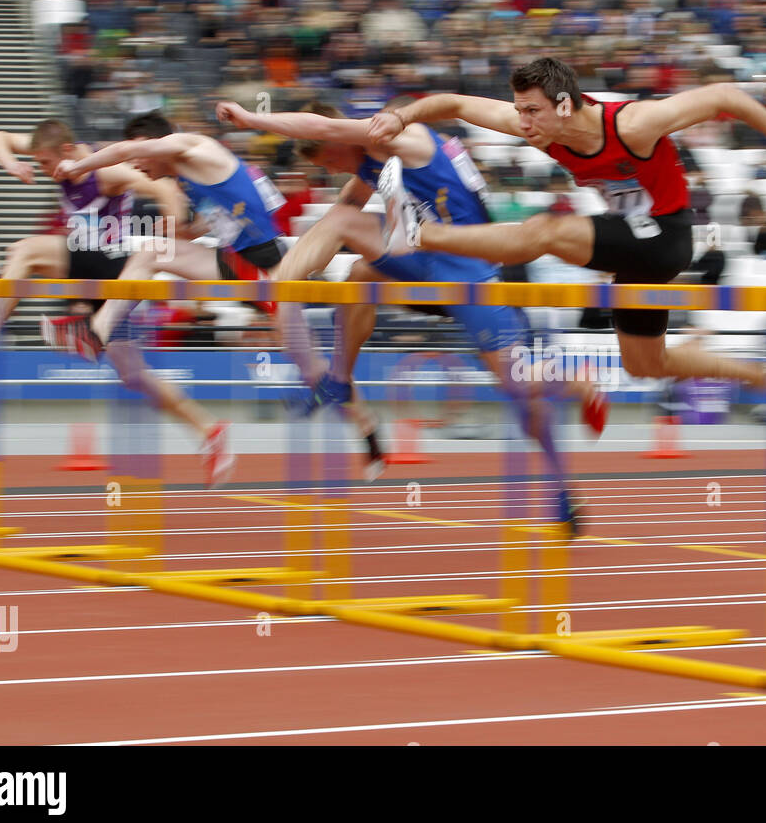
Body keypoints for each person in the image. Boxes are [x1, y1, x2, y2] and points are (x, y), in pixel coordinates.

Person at [367, 56, 766, 435]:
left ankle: (421, 234)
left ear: (564, 104)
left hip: (667, 235)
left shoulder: (633, 124)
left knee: (545, 230)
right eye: (519, 111)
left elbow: (725, 96)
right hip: (631, 246)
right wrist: (401, 116)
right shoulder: (541, 127)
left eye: (531, 112)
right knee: (646, 363)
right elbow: (457, 103)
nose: (522, 124)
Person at [215, 97, 606, 531]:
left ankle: (568, 452)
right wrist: (311, 259)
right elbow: (344, 208)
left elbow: (323, 135)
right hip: (428, 262)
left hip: (471, 270)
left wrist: (253, 120)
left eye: (331, 157)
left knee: (521, 390)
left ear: (337, 134)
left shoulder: (399, 137)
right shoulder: (368, 163)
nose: (335, 168)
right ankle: (335, 377)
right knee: (360, 270)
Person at [0, 120, 236, 487]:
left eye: (45, 164)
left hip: (111, 262)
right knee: (133, 374)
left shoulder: (105, 169)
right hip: (96, 278)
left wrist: (170, 226)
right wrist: (11, 164)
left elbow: (162, 186)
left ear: (65, 151)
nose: (45, 172)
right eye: (38, 163)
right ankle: (210, 430)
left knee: (25, 251)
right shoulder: (53, 152)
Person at [39, 111, 295, 486]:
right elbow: (222, 222)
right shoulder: (186, 179)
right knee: (153, 252)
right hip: (236, 264)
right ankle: (95, 333)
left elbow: (128, 149)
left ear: (153, 144)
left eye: (138, 158)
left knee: (321, 375)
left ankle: (369, 437)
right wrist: (181, 229)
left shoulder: (191, 145)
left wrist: (77, 165)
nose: (135, 166)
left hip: (274, 271)